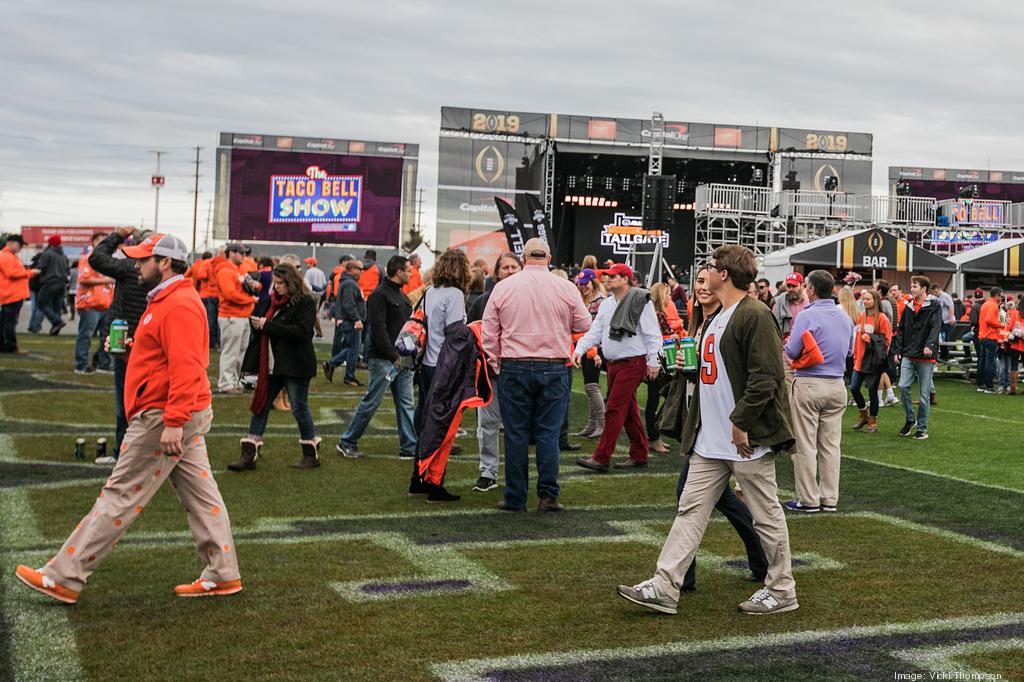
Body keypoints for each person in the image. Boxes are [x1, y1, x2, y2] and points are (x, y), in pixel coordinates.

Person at [15, 234, 242, 604]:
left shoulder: (178, 304)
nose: (135, 265)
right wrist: (132, 349)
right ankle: (223, 572)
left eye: (143, 259)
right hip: (170, 410)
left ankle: (64, 576)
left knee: (120, 494)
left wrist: (174, 419)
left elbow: (189, 367)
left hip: (162, 414)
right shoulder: (168, 299)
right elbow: (169, 356)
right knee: (202, 496)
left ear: (165, 262)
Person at [617, 244, 797, 616]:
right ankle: (665, 586)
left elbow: (767, 377)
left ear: (725, 274)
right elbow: (717, 374)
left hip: (742, 438)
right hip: (710, 439)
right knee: (690, 509)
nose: (705, 274)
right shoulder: (720, 315)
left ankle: (782, 589)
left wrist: (741, 422)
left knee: (765, 514)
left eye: (711, 268)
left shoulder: (755, 314)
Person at [666, 265, 768, 591]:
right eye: (698, 281)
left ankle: (683, 576)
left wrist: (741, 422)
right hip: (703, 429)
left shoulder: (734, 318)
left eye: (708, 280)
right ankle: (682, 576)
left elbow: (754, 376)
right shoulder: (701, 324)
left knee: (755, 508)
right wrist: (681, 368)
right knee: (715, 502)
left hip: (729, 428)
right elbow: (703, 377)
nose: (703, 286)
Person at [482, 238, 590, 512]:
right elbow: (583, 323)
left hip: (514, 365)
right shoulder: (564, 287)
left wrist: (494, 364)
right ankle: (548, 495)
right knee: (548, 434)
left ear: (524, 258)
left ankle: (515, 496)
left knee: (516, 434)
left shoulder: (504, 287)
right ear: (549, 256)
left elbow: (489, 332)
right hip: (553, 366)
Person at [228, 264, 320, 471]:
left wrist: (267, 325)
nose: (276, 287)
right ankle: (249, 453)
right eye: (275, 283)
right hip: (270, 363)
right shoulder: (268, 301)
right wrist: (258, 322)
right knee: (261, 405)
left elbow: (302, 332)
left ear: (291, 283)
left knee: (299, 408)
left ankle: (310, 452)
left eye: (280, 284)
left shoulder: (304, 302)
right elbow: (257, 319)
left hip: (295, 364)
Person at [573, 263, 662, 472]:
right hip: (614, 364)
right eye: (607, 276)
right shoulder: (607, 304)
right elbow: (595, 331)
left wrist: (653, 362)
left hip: (633, 362)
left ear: (625, 279)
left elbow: (652, 334)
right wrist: (580, 349)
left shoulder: (641, 301)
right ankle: (639, 453)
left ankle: (602, 457)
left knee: (613, 408)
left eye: (613, 276)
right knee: (628, 411)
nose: (607, 279)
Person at [783, 270, 853, 514]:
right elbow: (850, 352)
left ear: (810, 289)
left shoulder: (807, 314)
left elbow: (791, 351)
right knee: (831, 445)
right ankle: (829, 498)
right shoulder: (845, 317)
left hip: (809, 382)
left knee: (805, 444)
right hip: (836, 384)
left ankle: (809, 499)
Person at [336, 256, 416, 460]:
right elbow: (378, 329)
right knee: (372, 400)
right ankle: (347, 441)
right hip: (384, 358)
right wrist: (392, 355)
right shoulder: (380, 295)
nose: (411, 273)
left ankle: (409, 446)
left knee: (406, 403)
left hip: (402, 358)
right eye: (408, 270)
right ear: (399, 272)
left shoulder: (401, 296)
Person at [88, 228, 154, 462]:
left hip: (127, 341)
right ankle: (144, 452)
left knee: (126, 402)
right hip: (151, 343)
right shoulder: (160, 275)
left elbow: (96, 258)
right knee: (150, 403)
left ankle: (124, 453)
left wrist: (118, 234)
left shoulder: (128, 268)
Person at [468, 252, 522, 492]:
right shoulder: (483, 301)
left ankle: (517, 475)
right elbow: (470, 333)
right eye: (505, 268)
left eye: (514, 267)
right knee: (487, 425)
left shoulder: (529, 299)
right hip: (489, 373)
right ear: (497, 272)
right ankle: (488, 472)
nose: (510, 271)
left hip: (521, 371)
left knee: (518, 427)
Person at [414, 248, 471, 432]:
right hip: (444, 363)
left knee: (424, 409)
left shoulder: (430, 291)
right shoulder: (454, 294)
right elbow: (455, 334)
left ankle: (419, 453)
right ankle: (429, 455)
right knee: (439, 415)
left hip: (427, 361)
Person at [894, 275, 941, 439]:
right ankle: (910, 420)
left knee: (924, 394)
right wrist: (897, 350)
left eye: (914, 286)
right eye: (911, 286)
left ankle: (922, 428)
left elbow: (935, 328)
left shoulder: (934, 305)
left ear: (923, 289)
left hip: (926, 356)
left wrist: (930, 345)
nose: (912, 289)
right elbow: (901, 330)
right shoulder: (908, 306)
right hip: (908, 352)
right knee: (903, 386)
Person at [849, 289, 892, 433]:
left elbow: (886, 341)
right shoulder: (862, 316)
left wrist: (870, 339)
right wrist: (855, 354)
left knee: (873, 392)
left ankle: (873, 420)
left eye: (868, 299)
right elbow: (857, 338)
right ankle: (863, 414)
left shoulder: (882, 318)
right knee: (854, 388)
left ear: (875, 301)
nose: (865, 302)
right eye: (864, 299)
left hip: (873, 362)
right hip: (859, 360)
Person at [216, 244, 257, 394]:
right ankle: (226, 383)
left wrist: (253, 287)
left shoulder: (238, 270)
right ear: (231, 253)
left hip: (241, 315)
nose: (243, 256)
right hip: (231, 315)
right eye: (240, 253)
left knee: (240, 352)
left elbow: (241, 289)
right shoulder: (225, 270)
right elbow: (230, 294)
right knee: (230, 351)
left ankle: (233, 381)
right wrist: (251, 300)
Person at [572, 268, 607, 440]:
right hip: (588, 347)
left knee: (592, 386)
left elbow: (596, 329)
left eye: (586, 284)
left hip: (595, 348)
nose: (583, 287)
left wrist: (595, 350)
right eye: (581, 284)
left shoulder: (600, 300)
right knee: (590, 386)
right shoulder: (589, 299)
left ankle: (600, 424)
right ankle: (593, 424)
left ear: (593, 282)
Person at [73, 232, 116, 374]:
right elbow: (84, 279)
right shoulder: (88, 258)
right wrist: (108, 280)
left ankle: (104, 364)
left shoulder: (109, 259)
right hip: (89, 303)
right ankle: (81, 365)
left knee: (106, 337)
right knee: (86, 335)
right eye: (101, 241)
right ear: (93, 242)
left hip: (106, 303)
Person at [323, 259, 365, 386]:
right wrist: (357, 319)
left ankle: (333, 364)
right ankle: (347, 375)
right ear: (352, 269)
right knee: (354, 349)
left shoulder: (348, 282)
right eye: (360, 269)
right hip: (350, 322)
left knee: (352, 349)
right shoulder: (349, 284)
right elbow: (349, 304)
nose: (362, 272)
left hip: (348, 321)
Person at [0, 233, 39, 354]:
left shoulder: (9, 255)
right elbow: (12, 273)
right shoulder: (7, 256)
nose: (21, 248)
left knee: (5, 321)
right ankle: (10, 346)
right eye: (20, 245)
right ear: (11, 243)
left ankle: (4, 345)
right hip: (12, 294)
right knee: (10, 322)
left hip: (11, 293)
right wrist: (31, 272)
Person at [29, 234, 69, 335]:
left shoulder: (47, 254)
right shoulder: (64, 256)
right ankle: (55, 330)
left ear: (50, 243)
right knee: (57, 307)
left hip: (50, 283)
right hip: (62, 284)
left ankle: (57, 321)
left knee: (41, 304)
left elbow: (40, 267)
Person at [873, 280, 898, 407]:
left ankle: (881, 398)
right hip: (887, 339)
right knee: (882, 370)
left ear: (879, 290)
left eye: (874, 287)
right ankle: (889, 395)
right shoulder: (889, 302)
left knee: (880, 369)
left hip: (883, 340)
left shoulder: (884, 303)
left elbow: (886, 322)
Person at [976, 287, 1002, 394]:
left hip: (982, 335)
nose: (1001, 298)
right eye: (1000, 296)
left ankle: (980, 384)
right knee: (989, 362)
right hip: (990, 336)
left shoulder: (985, 304)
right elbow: (989, 319)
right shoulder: (993, 305)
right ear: (996, 295)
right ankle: (988, 386)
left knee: (982, 361)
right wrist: (1001, 324)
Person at [929, 283, 956, 362]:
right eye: (933, 292)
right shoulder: (934, 297)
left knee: (945, 339)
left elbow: (951, 307)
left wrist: (951, 318)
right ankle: (941, 355)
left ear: (939, 289)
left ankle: (945, 356)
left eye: (936, 292)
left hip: (947, 321)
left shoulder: (946, 296)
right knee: (940, 338)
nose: (934, 294)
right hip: (941, 321)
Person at [303, 256, 327, 337]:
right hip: (318, 295)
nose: (307, 264)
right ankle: (318, 332)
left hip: (311, 293)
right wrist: (321, 292)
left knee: (312, 313)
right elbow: (324, 285)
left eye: (308, 263)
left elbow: (307, 283)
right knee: (315, 313)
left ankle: (317, 332)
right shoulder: (321, 272)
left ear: (312, 263)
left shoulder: (309, 272)